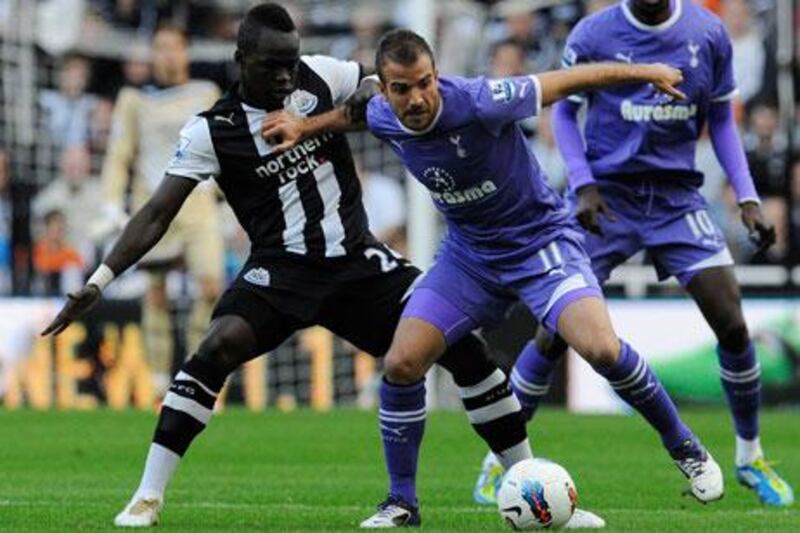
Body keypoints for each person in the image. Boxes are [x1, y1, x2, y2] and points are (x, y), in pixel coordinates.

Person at [41, 4, 562, 529]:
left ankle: (531, 485)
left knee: (468, 351)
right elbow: (157, 213)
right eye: (273, 65)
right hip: (280, 274)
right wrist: (99, 280)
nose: (286, 75)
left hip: (358, 264)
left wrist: (339, 109)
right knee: (216, 345)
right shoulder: (212, 131)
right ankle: (147, 496)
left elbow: (380, 90)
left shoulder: (320, 75)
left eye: (291, 62)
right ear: (242, 60)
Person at [261, 28, 725, 526]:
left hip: (541, 244)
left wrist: (645, 73)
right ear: (386, 89)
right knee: (401, 362)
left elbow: (568, 81)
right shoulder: (381, 112)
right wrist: (306, 127)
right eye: (402, 89)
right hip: (470, 257)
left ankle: (687, 448)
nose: (417, 98)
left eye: (425, 83)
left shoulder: (481, 101)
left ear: (436, 75)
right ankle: (401, 502)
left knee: (602, 350)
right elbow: (357, 113)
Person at [480, 0, 793, 507]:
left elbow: (722, 121)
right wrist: (581, 184)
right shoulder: (594, 33)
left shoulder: (707, 33)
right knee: (555, 329)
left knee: (732, 321)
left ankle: (749, 457)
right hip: (606, 196)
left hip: (676, 199)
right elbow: (564, 111)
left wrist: (749, 197)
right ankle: (499, 463)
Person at [101, 24, 224, 397]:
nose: (166, 55)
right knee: (156, 292)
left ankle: (197, 372)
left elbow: (224, 148)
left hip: (199, 202)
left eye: (173, 47)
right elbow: (119, 153)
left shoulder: (206, 92)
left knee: (211, 287)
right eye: (159, 48)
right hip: (153, 204)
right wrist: (110, 201)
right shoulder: (135, 100)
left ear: (186, 51)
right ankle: (157, 382)